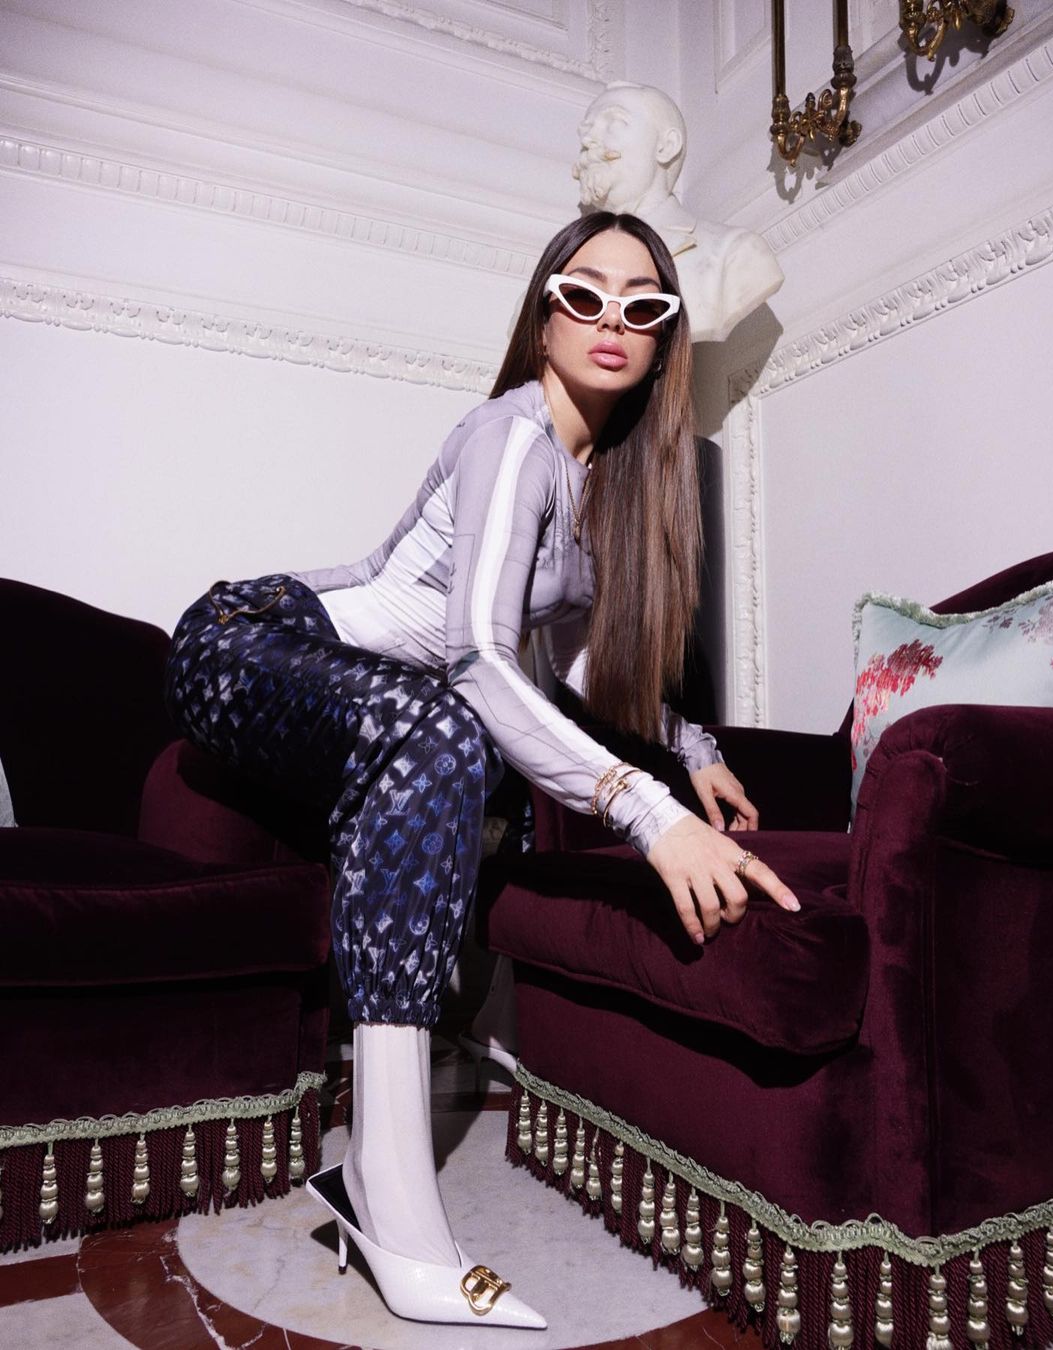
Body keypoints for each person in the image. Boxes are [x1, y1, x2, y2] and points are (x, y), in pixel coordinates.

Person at [163, 211, 798, 1331]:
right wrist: (648, 813)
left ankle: (370, 1181)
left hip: (383, 712)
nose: (610, 319)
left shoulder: (602, 490)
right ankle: (393, 1200)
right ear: (544, 317)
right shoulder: (510, 435)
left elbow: (591, 675)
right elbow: (481, 662)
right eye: (583, 294)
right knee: (452, 731)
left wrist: (694, 753)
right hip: (246, 641)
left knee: (446, 744)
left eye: (642, 304)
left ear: (664, 338)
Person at [574, 82, 784, 342]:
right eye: (586, 130)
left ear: (666, 146)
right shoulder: (568, 267)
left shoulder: (733, 253)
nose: (588, 141)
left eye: (614, 122)